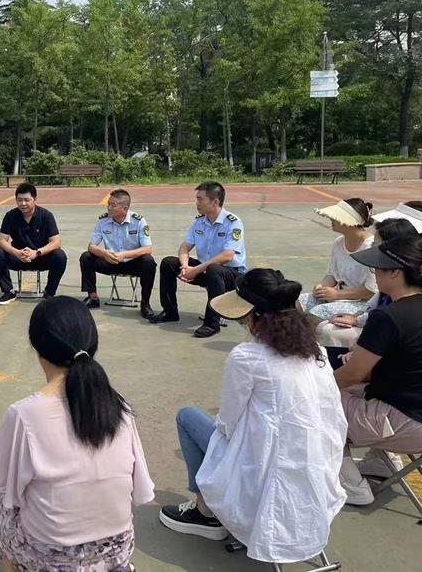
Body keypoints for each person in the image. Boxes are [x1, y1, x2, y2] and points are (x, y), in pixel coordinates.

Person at [159, 270, 347, 565]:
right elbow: (332, 414)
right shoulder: (317, 353)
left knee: (188, 416)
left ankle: (204, 512)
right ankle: (209, 508)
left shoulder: (247, 357)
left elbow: (228, 424)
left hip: (264, 473)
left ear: (252, 317)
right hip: (318, 470)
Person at [0, 296, 153, 571]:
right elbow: (140, 488)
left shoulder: (24, 414)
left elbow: (6, 486)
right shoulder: (118, 406)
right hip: (116, 547)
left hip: (52, 555)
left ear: (38, 349)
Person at [333, 236, 422, 506]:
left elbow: (352, 375)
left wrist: (316, 385)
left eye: (377, 268)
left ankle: (351, 485)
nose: (374, 273)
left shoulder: (388, 317)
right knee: (355, 391)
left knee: (318, 402)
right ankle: (381, 461)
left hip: (413, 424)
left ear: (395, 273)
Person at [148, 181, 246, 337]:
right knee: (169, 263)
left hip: (231, 274)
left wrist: (196, 270)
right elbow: (184, 247)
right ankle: (170, 312)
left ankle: (212, 324)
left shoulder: (232, 223)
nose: (196, 203)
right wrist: (185, 267)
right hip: (205, 269)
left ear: (215, 202)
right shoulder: (199, 222)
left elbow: (227, 256)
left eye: (200, 199)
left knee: (214, 269)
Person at [315, 217, 417, 348]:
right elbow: (375, 305)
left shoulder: (408, 296)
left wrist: (358, 343)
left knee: (328, 330)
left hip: (394, 345)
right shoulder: (393, 285)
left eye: (375, 245)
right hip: (380, 331)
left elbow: (385, 323)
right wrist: (356, 318)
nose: (375, 271)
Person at [79, 189, 156, 318]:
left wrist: (125, 254)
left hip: (132, 262)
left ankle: (145, 303)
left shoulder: (138, 221)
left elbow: (148, 248)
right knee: (86, 257)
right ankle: (92, 297)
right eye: (108, 204)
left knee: (148, 261)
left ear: (125, 208)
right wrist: (104, 253)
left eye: (113, 205)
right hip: (111, 261)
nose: (109, 207)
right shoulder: (103, 221)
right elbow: (91, 246)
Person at [297, 198, 377, 320]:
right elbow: (332, 275)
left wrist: (337, 294)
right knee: (298, 301)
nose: (331, 219)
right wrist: (321, 287)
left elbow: (371, 290)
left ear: (348, 221)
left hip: (363, 303)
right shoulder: (338, 243)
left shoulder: (372, 247)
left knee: (318, 312)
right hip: (339, 297)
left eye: (335, 217)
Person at [0, 183, 68, 305]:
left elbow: (56, 241)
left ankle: (49, 292)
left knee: (60, 255)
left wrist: (37, 253)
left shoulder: (46, 215)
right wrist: (17, 252)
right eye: (19, 200)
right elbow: (1, 241)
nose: (23, 203)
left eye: (27, 200)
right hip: (18, 257)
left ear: (35, 199)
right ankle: (8, 291)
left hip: (40, 257)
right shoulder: (11, 216)